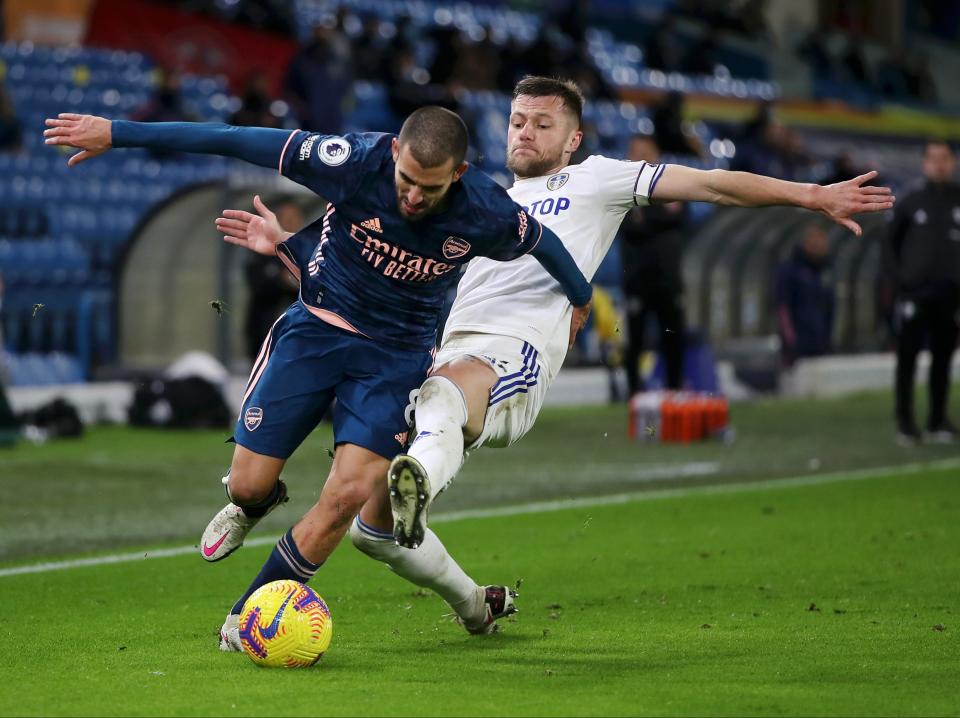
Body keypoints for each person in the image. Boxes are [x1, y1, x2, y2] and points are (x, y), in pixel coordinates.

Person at [228, 78, 894, 625]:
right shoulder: (472, 199)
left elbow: (712, 185)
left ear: (574, 138)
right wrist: (292, 247)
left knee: (443, 399)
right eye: (518, 120)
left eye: (543, 124)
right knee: (374, 531)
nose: (525, 132)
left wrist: (809, 194)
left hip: (512, 357)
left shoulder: (601, 179)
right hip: (439, 356)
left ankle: (418, 480)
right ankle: (474, 602)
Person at [43, 106, 594, 644]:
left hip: (394, 360)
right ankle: (252, 504)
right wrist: (117, 132)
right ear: (395, 153)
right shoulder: (351, 160)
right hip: (315, 333)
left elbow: (545, 243)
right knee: (248, 482)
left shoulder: (485, 211)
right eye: (406, 180)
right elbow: (234, 136)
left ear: (459, 174)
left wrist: (580, 299)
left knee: (348, 493)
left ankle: (248, 617)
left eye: (430, 188)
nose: (413, 197)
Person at [884, 140, 960, 445]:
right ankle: (905, 423)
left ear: (952, 162)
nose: (938, 164)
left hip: (951, 294)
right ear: (924, 163)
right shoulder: (910, 201)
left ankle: (938, 420)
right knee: (907, 359)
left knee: (943, 358)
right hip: (915, 294)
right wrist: (902, 282)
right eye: (933, 158)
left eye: (944, 158)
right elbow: (890, 245)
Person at [618, 134, 687, 394]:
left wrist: (646, 216)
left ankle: (675, 393)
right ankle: (633, 395)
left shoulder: (673, 183)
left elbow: (678, 217)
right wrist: (658, 214)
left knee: (673, 338)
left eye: (646, 151)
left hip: (669, 279)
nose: (641, 157)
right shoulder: (622, 189)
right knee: (634, 341)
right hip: (636, 280)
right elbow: (632, 227)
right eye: (636, 151)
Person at [242, 201, 302, 362]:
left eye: (295, 218)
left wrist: (295, 279)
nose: (291, 222)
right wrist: (282, 280)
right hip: (263, 331)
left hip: (299, 336)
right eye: (286, 218)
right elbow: (258, 283)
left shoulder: (307, 251)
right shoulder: (262, 251)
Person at [774, 223, 835, 368]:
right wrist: (790, 340)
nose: (819, 246)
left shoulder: (825, 271)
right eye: (814, 242)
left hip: (821, 341)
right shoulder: (790, 271)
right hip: (798, 344)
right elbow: (782, 307)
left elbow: (830, 307)